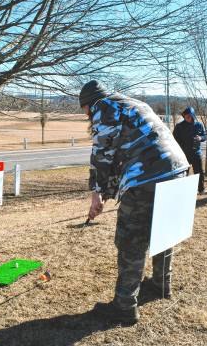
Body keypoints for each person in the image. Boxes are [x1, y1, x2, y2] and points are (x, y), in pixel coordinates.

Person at [79, 80, 189, 325]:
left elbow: (103, 154)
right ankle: (161, 284)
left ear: (88, 104)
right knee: (165, 230)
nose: (86, 115)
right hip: (178, 169)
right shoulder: (132, 103)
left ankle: (124, 307)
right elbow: (124, 150)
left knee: (132, 240)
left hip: (148, 177)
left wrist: (96, 194)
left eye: (83, 110)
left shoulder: (103, 106)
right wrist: (105, 192)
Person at [173, 107, 207, 195]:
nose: (187, 118)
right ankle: (182, 191)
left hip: (197, 153)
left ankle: (201, 190)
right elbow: (174, 140)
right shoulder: (179, 126)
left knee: (199, 172)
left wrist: (200, 138)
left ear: (193, 116)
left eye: (189, 116)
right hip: (184, 154)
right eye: (185, 116)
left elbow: (204, 136)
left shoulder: (199, 125)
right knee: (184, 173)